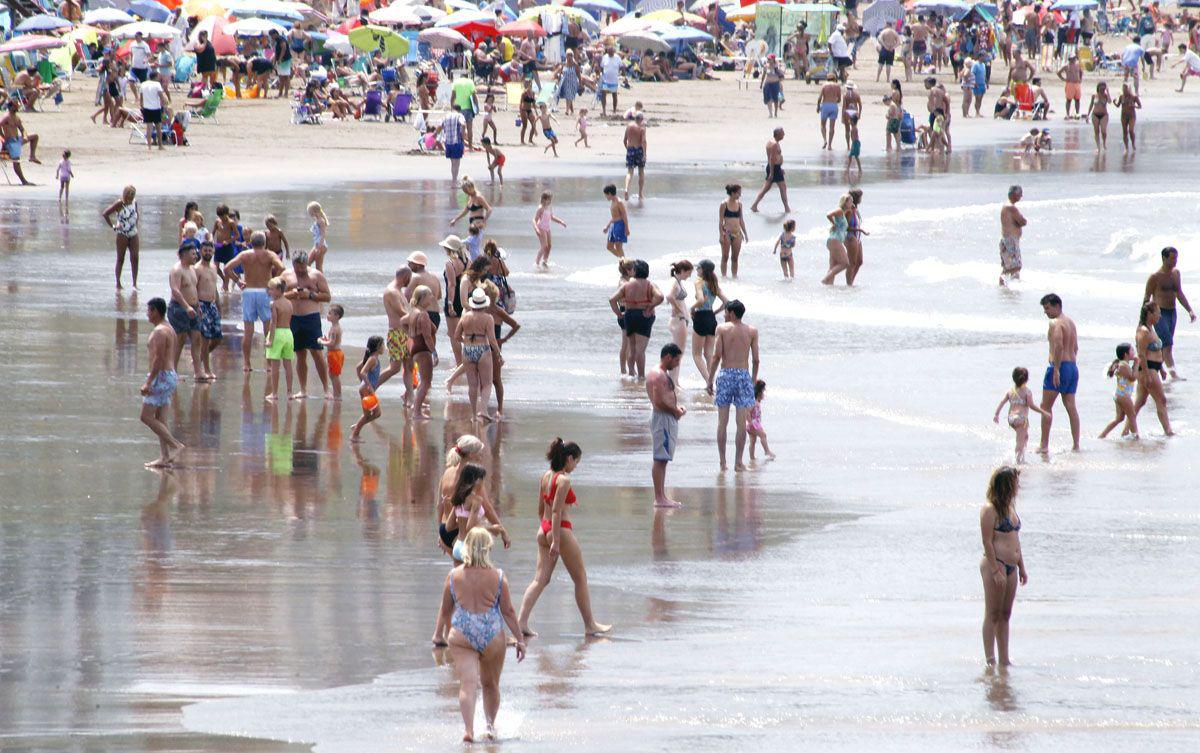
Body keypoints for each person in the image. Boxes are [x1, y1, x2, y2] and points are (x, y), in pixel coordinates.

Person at [517, 438, 613, 637]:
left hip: (543, 529)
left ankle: (521, 623)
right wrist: (555, 542)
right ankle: (590, 625)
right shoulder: (564, 480)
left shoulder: (546, 476)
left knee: (540, 580)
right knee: (580, 578)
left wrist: (545, 532)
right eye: (576, 462)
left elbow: (541, 509)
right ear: (569, 458)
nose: (576, 466)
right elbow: (556, 512)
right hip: (559, 530)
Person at [437, 528, 525, 744]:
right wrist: (520, 639)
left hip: (463, 632)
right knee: (490, 684)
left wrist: (450, 633)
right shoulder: (499, 576)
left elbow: (445, 610)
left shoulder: (453, 576)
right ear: (487, 549)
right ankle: (489, 726)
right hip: (492, 632)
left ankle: (468, 730)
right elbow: (508, 611)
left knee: (467, 684)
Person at [979, 466, 1027, 668]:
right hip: (995, 564)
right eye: (1015, 483)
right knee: (993, 613)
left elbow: (1016, 540)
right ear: (1005, 485)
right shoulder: (989, 509)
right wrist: (995, 569)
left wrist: (1022, 566)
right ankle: (990, 660)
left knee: (1006, 614)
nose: (1018, 487)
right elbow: (987, 541)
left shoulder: (1011, 507)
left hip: (1012, 566)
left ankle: (1004, 659)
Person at [706, 300, 760, 472]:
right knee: (740, 422)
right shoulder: (752, 331)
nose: (724, 314)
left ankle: (723, 462)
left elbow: (716, 356)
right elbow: (756, 359)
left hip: (726, 374)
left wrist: (710, 379)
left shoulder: (722, 329)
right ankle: (738, 462)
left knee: (722, 422)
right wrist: (752, 380)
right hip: (743, 375)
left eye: (726, 311)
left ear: (732, 313)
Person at [224, 231, 285, 371]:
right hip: (265, 291)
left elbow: (227, 267)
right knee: (268, 330)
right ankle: (269, 364)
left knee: (248, 331)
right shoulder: (269, 254)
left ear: (251, 242)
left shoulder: (245, 255)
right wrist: (274, 282)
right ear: (265, 242)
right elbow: (281, 267)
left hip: (249, 291)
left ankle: (246, 363)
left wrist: (238, 281)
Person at [139, 298, 184, 467]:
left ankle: (176, 446)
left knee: (146, 416)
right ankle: (165, 457)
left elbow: (158, 359)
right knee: (161, 419)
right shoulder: (169, 328)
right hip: (170, 375)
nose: (147, 314)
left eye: (149, 311)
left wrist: (148, 382)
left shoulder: (159, 331)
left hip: (161, 376)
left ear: (156, 311)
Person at [282, 252, 333, 400]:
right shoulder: (286, 275)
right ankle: (303, 389)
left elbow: (327, 296)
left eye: (302, 267)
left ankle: (326, 389)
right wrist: (292, 293)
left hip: (311, 317)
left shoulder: (316, 275)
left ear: (306, 264)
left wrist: (310, 295)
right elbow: (277, 294)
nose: (300, 270)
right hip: (293, 318)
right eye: (297, 267)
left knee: (317, 353)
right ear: (293, 264)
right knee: (300, 354)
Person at [1036, 293, 1081, 453]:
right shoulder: (1070, 322)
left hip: (1059, 366)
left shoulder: (1055, 323)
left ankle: (1043, 445)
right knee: (1071, 406)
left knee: (1045, 406)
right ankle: (1076, 444)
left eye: (1047, 308)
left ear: (1056, 306)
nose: (1045, 312)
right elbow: (1075, 347)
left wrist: (1055, 369)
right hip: (1072, 367)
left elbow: (1058, 346)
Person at [1144, 246, 1196, 380]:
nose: (1175, 261)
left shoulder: (1176, 273)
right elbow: (1146, 298)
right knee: (1167, 343)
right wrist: (1145, 320)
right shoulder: (1155, 277)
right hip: (1159, 314)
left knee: (1165, 345)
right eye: (1172, 258)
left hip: (1172, 313)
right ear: (1164, 258)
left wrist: (1190, 310)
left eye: (1176, 258)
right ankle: (1173, 374)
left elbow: (1179, 293)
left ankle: (1154, 370)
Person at [647, 344, 686, 508]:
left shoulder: (661, 373)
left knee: (663, 459)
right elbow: (658, 402)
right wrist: (675, 411)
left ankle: (662, 496)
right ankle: (659, 497)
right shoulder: (658, 375)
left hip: (666, 418)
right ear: (668, 357)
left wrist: (677, 409)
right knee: (659, 458)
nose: (677, 364)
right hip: (662, 419)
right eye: (676, 360)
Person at [610, 259, 663, 380]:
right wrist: (650, 306)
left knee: (632, 347)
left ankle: (631, 374)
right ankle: (641, 376)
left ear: (635, 271)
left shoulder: (627, 285)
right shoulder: (650, 285)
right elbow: (660, 296)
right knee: (641, 350)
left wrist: (618, 313)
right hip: (644, 316)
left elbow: (612, 299)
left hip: (629, 315)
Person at [456, 287, 504, 422]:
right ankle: (483, 411)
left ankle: (473, 415)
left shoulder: (465, 316)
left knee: (472, 385)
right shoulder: (488, 318)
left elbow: (456, 335)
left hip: (467, 350)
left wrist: (466, 341)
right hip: (483, 348)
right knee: (487, 383)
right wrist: (499, 354)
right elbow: (492, 339)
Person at [1132, 301, 1174, 436]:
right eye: (1158, 313)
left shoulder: (1151, 329)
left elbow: (1157, 352)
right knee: (1161, 399)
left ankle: (1126, 430)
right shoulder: (1143, 331)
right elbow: (1141, 354)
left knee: (1140, 402)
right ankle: (1168, 430)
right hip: (1147, 368)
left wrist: (1161, 368)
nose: (1160, 316)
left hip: (1154, 368)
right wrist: (1147, 375)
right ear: (1150, 314)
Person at [992, 367, 1049, 464]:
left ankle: (1021, 456)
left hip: (1011, 419)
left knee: (1025, 437)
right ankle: (1019, 462)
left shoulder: (1010, 391)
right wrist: (1043, 412)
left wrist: (996, 414)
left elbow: (1002, 402)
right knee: (1020, 442)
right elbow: (1031, 406)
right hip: (1021, 419)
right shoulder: (1027, 392)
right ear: (1027, 379)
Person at [167, 243, 205, 382]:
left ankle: (198, 372)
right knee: (180, 339)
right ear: (183, 254)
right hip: (179, 307)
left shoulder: (192, 269)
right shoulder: (177, 270)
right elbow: (175, 290)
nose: (196, 256)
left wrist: (197, 306)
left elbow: (193, 289)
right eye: (193, 253)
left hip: (194, 307)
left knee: (197, 338)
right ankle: (172, 371)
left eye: (196, 254)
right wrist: (186, 307)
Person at [376, 266, 413, 399]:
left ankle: (409, 398)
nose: (410, 281)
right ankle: (370, 387)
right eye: (410, 278)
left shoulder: (399, 291)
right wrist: (416, 317)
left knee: (409, 366)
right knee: (395, 368)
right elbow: (400, 312)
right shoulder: (391, 291)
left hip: (406, 333)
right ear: (405, 277)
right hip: (396, 333)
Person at [691, 259, 727, 383]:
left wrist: (692, 308)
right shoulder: (714, 283)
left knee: (696, 354)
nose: (696, 270)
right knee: (708, 354)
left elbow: (700, 300)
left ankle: (709, 381)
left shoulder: (699, 282)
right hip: (711, 318)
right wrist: (715, 312)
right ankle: (712, 381)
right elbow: (726, 302)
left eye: (698, 268)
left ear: (703, 270)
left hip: (701, 316)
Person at [406, 286, 438, 419]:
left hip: (415, 345)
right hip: (423, 348)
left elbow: (403, 323)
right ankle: (417, 412)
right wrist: (434, 352)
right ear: (423, 298)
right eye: (430, 295)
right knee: (426, 381)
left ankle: (416, 407)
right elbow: (427, 336)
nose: (432, 297)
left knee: (423, 380)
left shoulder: (414, 311)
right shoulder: (423, 314)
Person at [101, 185, 140, 289]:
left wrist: (136, 225)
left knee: (135, 257)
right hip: (122, 234)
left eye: (133, 194)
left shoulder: (134, 202)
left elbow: (136, 214)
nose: (131, 197)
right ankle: (118, 283)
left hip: (133, 233)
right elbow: (105, 214)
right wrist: (113, 226)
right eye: (129, 194)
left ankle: (134, 283)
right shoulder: (120, 203)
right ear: (125, 194)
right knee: (120, 259)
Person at [263, 277, 295, 402]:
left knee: (275, 366)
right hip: (288, 333)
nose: (268, 292)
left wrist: (270, 339)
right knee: (288, 365)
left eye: (270, 289)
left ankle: (275, 393)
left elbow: (273, 323)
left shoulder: (274, 304)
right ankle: (289, 392)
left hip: (278, 334)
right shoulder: (289, 302)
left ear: (277, 290)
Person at [193, 241, 221, 382]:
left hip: (213, 305)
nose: (208, 253)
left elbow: (214, 288)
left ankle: (198, 360)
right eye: (205, 250)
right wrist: (196, 306)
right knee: (205, 340)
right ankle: (206, 370)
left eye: (210, 250)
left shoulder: (214, 267)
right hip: (201, 305)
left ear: (213, 251)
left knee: (217, 338)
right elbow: (193, 288)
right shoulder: (197, 269)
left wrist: (219, 306)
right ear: (200, 251)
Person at [1100, 343, 1139, 439]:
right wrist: (1137, 363)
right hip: (1123, 395)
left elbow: (1131, 376)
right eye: (1132, 351)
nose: (1134, 352)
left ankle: (1102, 435)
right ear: (1126, 354)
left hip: (1120, 395)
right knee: (1132, 415)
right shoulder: (1123, 365)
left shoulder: (1123, 364)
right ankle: (1136, 436)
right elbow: (1133, 377)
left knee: (1119, 418)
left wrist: (1135, 365)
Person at [350, 336, 383, 442]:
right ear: (378, 347)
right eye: (383, 345)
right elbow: (362, 372)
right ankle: (355, 434)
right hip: (366, 390)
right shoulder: (372, 359)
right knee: (376, 413)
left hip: (365, 388)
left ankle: (358, 427)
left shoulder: (372, 358)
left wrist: (363, 384)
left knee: (369, 414)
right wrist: (368, 385)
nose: (384, 347)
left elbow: (358, 367)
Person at [665, 260, 693, 384]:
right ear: (682, 271)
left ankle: (675, 381)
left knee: (678, 352)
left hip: (680, 319)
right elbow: (669, 296)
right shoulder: (674, 282)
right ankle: (673, 382)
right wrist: (678, 310)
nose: (689, 275)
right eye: (688, 273)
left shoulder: (677, 282)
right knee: (678, 353)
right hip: (678, 320)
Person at [750, 128, 789, 213]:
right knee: (782, 187)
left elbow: (774, 158)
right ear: (778, 134)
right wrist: (772, 173)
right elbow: (772, 158)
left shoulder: (771, 142)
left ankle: (754, 205)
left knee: (766, 188)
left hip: (775, 168)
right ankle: (787, 208)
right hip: (774, 168)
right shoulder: (774, 144)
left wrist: (779, 168)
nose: (784, 135)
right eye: (782, 133)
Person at [718, 184, 748, 278]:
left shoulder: (739, 204)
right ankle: (724, 277)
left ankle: (734, 277)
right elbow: (720, 221)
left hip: (737, 233)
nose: (740, 195)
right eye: (739, 193)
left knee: (735, 258)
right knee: (725, 257)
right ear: (732, 193)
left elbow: (741, 220)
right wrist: (721, 235)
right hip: (727, 233)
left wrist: (745, 234)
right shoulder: (724, 204)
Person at [822, 194, 853, 285]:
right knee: (845, 263)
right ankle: (824, 280)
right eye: (850, 201)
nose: (852, 203)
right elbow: (828, 215)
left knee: (833, 266)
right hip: (835, 240)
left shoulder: (843, 213)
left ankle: (829, 287)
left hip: (834, 240)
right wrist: (833, 224)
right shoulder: (839, 210)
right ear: (845, 202)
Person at [533, 191, 566, 269]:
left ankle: (545, 261)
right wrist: (536, 229)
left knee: (549, 246)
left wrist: (560, 222)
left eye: (550, 200)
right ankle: (537, 262)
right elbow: (534, 219)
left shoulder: (549, 207)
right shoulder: (540, 208)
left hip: (547, 228)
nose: (550, 201)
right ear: (544, 199)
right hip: (541, 227)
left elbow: (552, 217)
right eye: (548, 199)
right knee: (544, 246)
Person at [138, 74, 170, 151]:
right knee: (158, 128)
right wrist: (164, 109)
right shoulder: (157, 84)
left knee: (149, 128)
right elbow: (161, 96)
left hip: (147, 108)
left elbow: (141, 98)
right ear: (155, 77)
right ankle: (160, 145)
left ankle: (149, 146)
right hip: (156, 108)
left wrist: (142, 107)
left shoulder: (143, 84)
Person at [319, 304, 344, 400]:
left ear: (337, 316)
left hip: (335, 353)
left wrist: (322, 342)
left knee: (334, 376)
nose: (328, 315)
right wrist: (326, 339)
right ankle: (336, 394)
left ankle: (338, 395)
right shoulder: (335, 327)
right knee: (332, 374)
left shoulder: (335, 329)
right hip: (334, 353)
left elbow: (332, 343)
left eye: (330, 313)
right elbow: (332, 340)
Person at [438, 103, 468, 183]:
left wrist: (435, 134)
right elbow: (463, 124)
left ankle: (453, 179)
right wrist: (463, 134)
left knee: (452, 163)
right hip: (456, 141)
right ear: (459, 110)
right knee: (456, 163)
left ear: (452, 109)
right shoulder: (459, 115)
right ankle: (454, 181)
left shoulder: (446, 116)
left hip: (448, 142)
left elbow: (440, 126)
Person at [746, 379, 775, 460]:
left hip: (754, 424)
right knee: (763, 435)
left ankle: (752, 457)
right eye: (763, 393)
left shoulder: (756, 402)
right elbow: (747, 412)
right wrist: (750, 422)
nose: (764, 395)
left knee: (753, 441)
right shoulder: (754, 403)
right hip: (754, 425)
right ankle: (767, 451)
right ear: (759, 393)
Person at [623, 112, 647, 202]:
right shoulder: (642, 128)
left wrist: (628, 149)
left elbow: (624, 140)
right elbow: (643, 141)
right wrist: (644, 154)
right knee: (641, 171)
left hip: (630, 149)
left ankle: (626, 189)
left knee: (629, 172)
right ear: (641, 119)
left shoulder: (629, 126)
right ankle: (640, 193)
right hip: (639, 150)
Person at [603, 184, 630, 257]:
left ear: (609, 193)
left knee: (618, 247)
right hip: (613, 225)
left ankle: (624, 263)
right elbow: (614, 216)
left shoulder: (619, 202)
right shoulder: (612, 202)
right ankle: (624, 260)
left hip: (620, 225)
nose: (605, 197)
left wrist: (627, 228)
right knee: (609, 247)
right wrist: (607, 226)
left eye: (606, 195)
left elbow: (624, 215)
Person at [817, 76, 842, 150]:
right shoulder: (837, 86)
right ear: (834, 79)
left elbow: (819, 98)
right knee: (832, 127)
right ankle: (830, 145)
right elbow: (839, 99)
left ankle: (825, 140)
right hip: (834, 106)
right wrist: (834, 101)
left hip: (825, 105)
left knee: (823, 124)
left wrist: (818, 106)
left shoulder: (824, 85)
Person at [1115, 82, 1141, 151]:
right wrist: (1114, 102)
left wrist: (1134, 106)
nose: (1124, 90)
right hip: (1123, 116)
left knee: (1131, 130)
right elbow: (1118, 105)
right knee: (1124, 131)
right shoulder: (1121, 97)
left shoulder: (1134, 97)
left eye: (1125, 89)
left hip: (1132, 116)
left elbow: (1140, 106)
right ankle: (1126, 147)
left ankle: (1133, 144)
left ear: (1129, 89)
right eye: (1123, 89)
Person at [1056, 53, 1084, 119]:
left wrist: (1080, 79)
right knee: (1069, 100)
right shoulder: (1067, 66)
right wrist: (1064, 79)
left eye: (1074, 58)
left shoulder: (1078, 65)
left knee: (1077, 99)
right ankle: (1067, 114)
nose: (1073, 60)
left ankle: (1077, 113)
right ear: (1069, 59)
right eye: (1071, 59)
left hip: (1077, 84)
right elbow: (1058, 73)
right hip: (1070, 84)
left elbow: (1081, 72)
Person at [307, 201, 330, 271]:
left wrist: (319, 246)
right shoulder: (317, 220)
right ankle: (309, 279)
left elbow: (323, 234)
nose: (309, 214)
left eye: (309, 212)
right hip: (316, 244)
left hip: (321, 245)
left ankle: (320, 281)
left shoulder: (321, 221)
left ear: (314, 211)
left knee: (318, 267)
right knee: (307, 263)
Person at [599, 45, 622, 116]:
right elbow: (602, 67)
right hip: (606, 80)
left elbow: (621, 67)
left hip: (614, 80)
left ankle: (614, 110)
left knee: (614, 95)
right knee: (603, 94)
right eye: (609, 52)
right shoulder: (605, 57)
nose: (610, 53)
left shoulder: (617, 58)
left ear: (614, 52)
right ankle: (604, 110)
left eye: (611, 52)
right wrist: (601, 75)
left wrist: (621, 74)